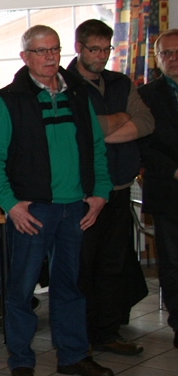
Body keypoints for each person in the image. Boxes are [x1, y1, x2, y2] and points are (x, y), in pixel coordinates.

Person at [0, 25, 114, 376]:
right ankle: (22, 362)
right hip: (32, 212)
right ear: (25, 57)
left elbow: (96, 149)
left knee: (70, 287)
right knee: (21, 290)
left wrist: (100, 194)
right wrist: (11, 205)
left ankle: (73, 355)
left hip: (75, 209)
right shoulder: (9, 100)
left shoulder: (79, 94)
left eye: (54, 49)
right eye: (40, 51)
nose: (50, 57)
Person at [69, 19, 152, 355]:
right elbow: (74, 132)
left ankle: (107, 332)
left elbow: (146, 123)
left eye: (107, 49)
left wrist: (98, 134)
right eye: (94, 49)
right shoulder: (63, 84)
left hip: (119, 188)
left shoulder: (120, 82)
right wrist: (119, 119)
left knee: (113, 265)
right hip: (82, 194)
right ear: (79, 48)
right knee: (82, 267)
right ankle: (81, 337)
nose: (101, 56)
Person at [136, 28, 178, 350]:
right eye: (166, 53)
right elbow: (143, 146)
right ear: (157, 58)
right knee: (173, 263)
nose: (173, 58)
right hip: (168, 191)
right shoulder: (145, 96)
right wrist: (173, 169)